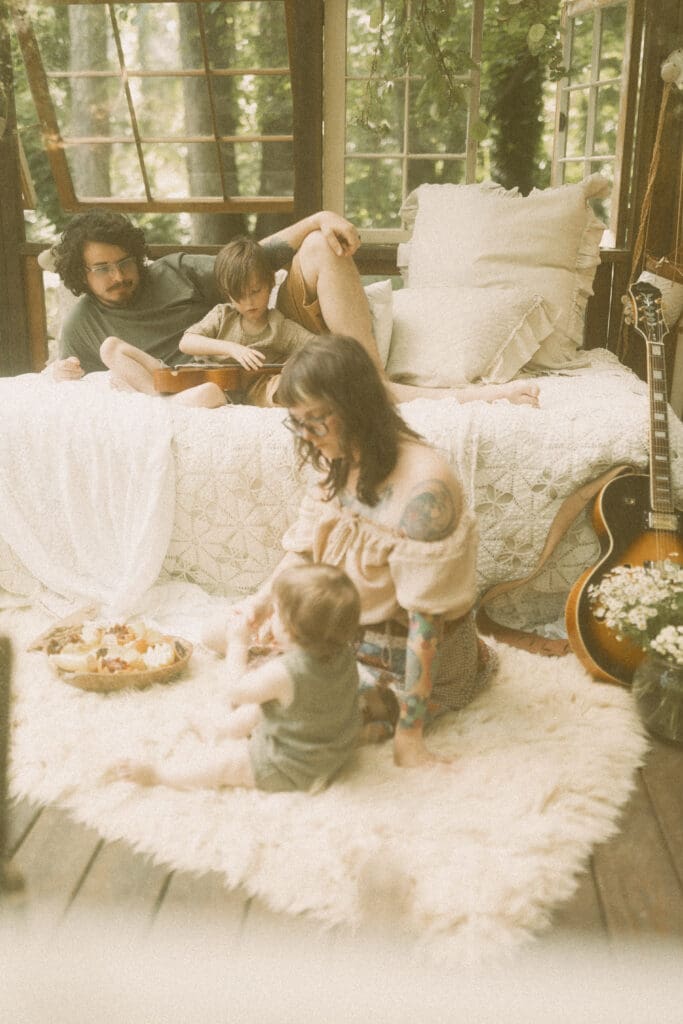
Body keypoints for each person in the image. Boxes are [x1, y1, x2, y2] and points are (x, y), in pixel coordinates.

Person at [212, 334, 499, 769]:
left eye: (316, 419)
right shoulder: (339, 455)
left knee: (288, 711)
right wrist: (260, 603)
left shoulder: (426, 491)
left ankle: (376, 715)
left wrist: (410, 736)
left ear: (357, 407)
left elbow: (427, 626)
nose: (306, 435)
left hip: (409, 654)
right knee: (218, 632)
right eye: (297, 421)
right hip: (345, 628)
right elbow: (305, 552)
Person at [46, 208, 540, 407]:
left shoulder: (173, 271)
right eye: (102, 269)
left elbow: (256, 258)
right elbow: (62, 372)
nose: (118, 275)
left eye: (124, 261)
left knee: (323, 245)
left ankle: (374, 382)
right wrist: (61, 371)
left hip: (267, 338)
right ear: (80, 275)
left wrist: (321, 217)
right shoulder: (83, 323)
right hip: (215, 387)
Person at [108, 563, 362, 794]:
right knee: (265, 704)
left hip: (296, 766)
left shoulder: (283, 673)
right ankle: (221, 731)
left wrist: (237, 644)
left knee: (228, 765)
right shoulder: (341, 651)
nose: (271, 618)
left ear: (289, 629)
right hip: (332, 744)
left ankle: (159, 774)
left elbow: (234, 692)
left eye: (275, 614)